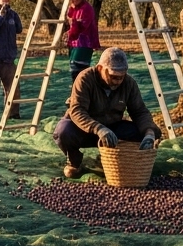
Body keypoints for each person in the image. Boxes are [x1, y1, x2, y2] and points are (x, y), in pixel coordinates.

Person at [54, 47, 158, 177]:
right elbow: (77, 110)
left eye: (121, 77)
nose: (118, 81)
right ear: (100, 69)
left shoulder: (128, 83)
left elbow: (139, 111)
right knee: (63, 131)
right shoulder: (85, 79)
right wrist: (99, 129)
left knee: (152, 131)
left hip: (113, 127)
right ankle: (74, 161)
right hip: (85, 128)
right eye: (113, 77)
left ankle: (120, 160)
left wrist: (148, 132)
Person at [65, 0, 99, 82]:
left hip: (84, 43)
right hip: (74, 43)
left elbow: (83, 26)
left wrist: (74, 22)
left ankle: (81, 93)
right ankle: (77, 92)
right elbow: (71, 22)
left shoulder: (86, 8)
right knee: (73, 68)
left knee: (79, 69)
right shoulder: (74, 8)